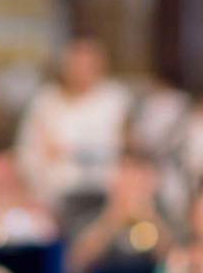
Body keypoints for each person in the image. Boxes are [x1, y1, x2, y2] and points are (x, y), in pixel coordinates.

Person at [15, 37, 131, 228]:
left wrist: (67, 151)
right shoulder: (45, 100)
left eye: (88, 64)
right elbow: (29, 150)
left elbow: (118, 148)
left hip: (103, 192)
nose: (81, 70)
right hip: (51, 195)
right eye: (76, 64)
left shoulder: (115, 99)